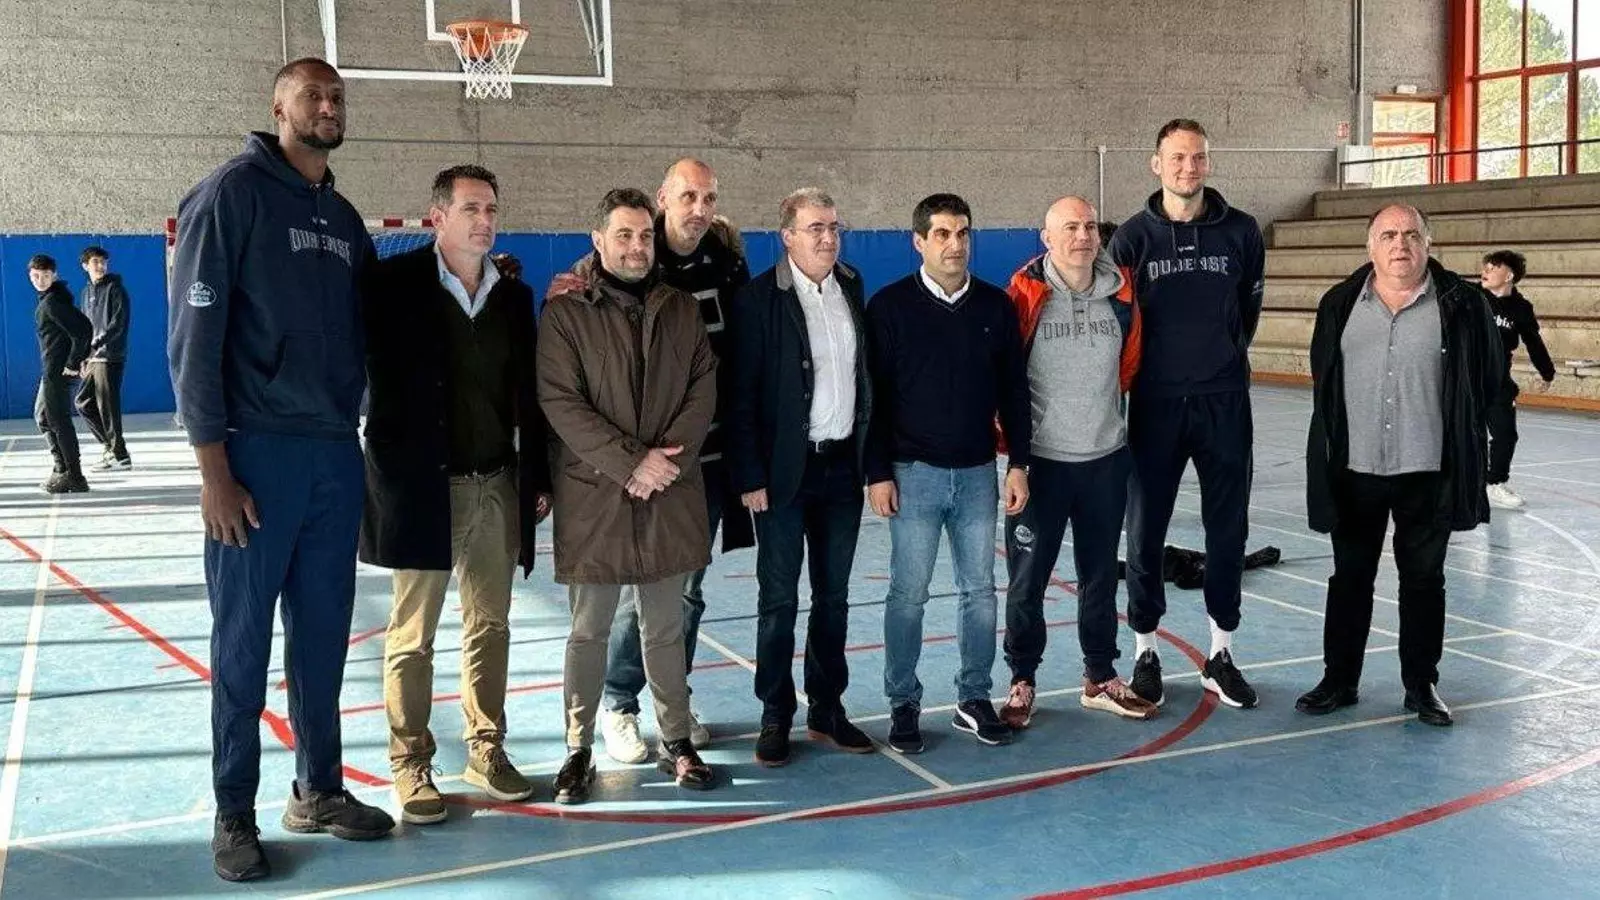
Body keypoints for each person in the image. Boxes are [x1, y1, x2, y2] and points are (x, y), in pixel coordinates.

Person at [167, 57, 394, 883]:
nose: (328, 105)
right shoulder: (231, 195)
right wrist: (213, 470)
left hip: (333, 450)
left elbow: (383, 319)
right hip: (255, 454)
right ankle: (234, 810)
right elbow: (192, 341)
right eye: (313, 95)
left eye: (337, 96)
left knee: (325, 636)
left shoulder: (343, 217)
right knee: (242, 645)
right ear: (278, 107)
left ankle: (319, 790)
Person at [361, 164, 553, 824]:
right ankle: (410, 760)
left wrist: (536, 479)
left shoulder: (513, 296)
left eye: (491, 208)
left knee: (490, 626)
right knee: (412, 636)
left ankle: (486, 747)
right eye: (471, 208)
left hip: (496, 483)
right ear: (437, 217)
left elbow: (528, 395)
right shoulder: (392, 285)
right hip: (422, 489)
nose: (484, 220)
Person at [538, 188, 719, 802]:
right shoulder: (566, 312)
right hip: (597, 497)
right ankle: (577, 749)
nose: (637, 246)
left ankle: (677, 741)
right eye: (624, 235)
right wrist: (631, 462)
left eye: (644, 235)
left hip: (668, 491)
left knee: (664, 628)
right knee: (589, 630)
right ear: (599, 240)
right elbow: (560, 401)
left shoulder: (681, 308)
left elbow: (702, 389)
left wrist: (664, 464)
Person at [1297, 204, 1503, 728]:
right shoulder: (1340, 303)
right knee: (1350, 579)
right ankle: (1339, 680)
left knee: (1423, 582)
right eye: (1388, 235)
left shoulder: (1463, 305)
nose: (1400, 244)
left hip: (1429, 470)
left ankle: (1421, 685)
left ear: (1428, 244)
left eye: (1411, 234)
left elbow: (1488, 380)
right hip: (1354, 470)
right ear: (1371, 246)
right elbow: (1325, 383)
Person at [594, 159, 754, 761]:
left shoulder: (726, 262)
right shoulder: (638, 253)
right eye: (688, 196)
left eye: (708, 198)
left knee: (687, 591)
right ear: (664, 197)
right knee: (640, 589)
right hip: (646, 459)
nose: (699, 208)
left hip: (707, 460)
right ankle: (619, 702)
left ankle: (672, 703)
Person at [1108, 118, 1265, 710]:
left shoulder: (1242, 231)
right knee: (1145, 528)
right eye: (1176, 157)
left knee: (1228, 529)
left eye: (1197, 157)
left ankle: (1220, 654)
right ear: (1156, 164)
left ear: (1208, 163)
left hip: (1225, 401)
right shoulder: (1131, 239)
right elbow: (1120, 322)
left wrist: (1219, 360)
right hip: (1155, 404)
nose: (1187, 167)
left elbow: (1247, 311)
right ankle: (1145, 650)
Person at [865, 193, 1031, 753]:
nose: (955, 245)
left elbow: (1014, 392)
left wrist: (1019, 464)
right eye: (942, 234)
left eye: (962, 233)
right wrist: (877, 472)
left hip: (979, 475)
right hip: (913, 474)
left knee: (979, 593)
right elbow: (874, 399)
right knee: (907, 595)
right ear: (919, 242)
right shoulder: (889, 307)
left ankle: (974, 697)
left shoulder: (995, 306)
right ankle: (903, 702)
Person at [726, 188, 877, 766]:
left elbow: (865, 381)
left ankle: (827, 707)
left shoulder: (852, 288)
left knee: (833, 598)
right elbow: (740, 394)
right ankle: (775, 711)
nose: (828, 238)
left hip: (841, 471)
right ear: (787, 236)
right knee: (779, 599)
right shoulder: (757, 299)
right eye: (815, 228)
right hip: (783, 475)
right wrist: (749, 474)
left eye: (834, 227)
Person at [998, 196, 1156, 729]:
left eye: (1090, 226)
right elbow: (1005, 380)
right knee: (1027, 581)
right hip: (1041, 466)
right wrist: (1015, 458)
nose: (1083, 236)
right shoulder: (1023, 295)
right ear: (1047, 237)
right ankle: (1022, 678)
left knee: (1100, 577)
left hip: (1105, 462)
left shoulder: (1122, 294)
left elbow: (1127, 368)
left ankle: (1100, 677)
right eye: (1070, 227)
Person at [1478, 249, 1556, 510]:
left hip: (1498, 382)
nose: (1485, 271)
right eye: (1485, 266)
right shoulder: (1471, 297)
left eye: (1493, 267)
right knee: (1460, 435)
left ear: (1509, 275)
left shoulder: (1521, 309)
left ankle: (1494, 484)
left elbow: (1533, 342)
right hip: (1465, 380)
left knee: (1506, 435)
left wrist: (1547, 372)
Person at [28, 254, 92, 493]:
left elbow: (84, 330)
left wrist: (74, 363)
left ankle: (75, 476)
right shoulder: (50, 299)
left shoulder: (53, 303)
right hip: (51, 369)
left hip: (58, 371)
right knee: (43, 416)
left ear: (54, 275)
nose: (40, 280)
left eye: (45, 275)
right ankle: (61, 468)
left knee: (58, 420)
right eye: (36, 276)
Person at [75, 246, 133, 469]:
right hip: (92, 358)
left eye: (103, 262)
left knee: (107, 406)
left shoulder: (116, 289)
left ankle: (120, 455)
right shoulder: (85, 293)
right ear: (85, 266)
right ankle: (110, 447)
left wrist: (96, 343)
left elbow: (118, 324)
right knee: (83, 402)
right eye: (95, 262)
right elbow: (84, 327)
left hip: (109, 356)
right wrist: (83, 356)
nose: (100, 266)